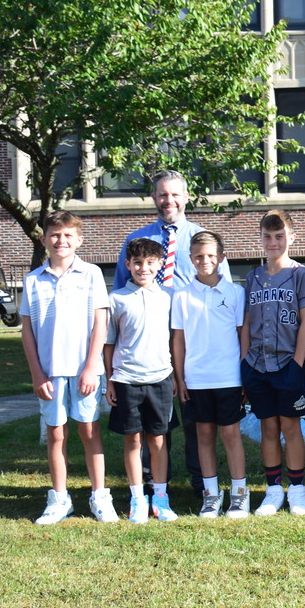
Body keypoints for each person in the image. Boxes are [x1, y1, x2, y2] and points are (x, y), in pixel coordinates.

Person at [114, 170, 230, 495]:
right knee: (152, 413)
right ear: (154, 198)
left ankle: (200, 479)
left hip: (193, 338)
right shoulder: (138, 242)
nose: (169, 201)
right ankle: (152, 482)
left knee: (194, 413)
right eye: (163, 195)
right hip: (148, 339)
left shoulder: (203, 240)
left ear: (186, 196)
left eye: (175, 194)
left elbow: (225, 291)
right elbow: (122, 291)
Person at [20, 210, 114, 525]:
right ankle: (59, 499)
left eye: (68, 235)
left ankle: (100, 495)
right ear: (44, 239)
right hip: (49, 371)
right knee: (56, 434)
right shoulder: (33, 280)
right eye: (55, 235)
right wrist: (36, 373)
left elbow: (101, 322)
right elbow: (27, 330)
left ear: (79, 240)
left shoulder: (92, 274)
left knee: (89, 430)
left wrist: (91, 366)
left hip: (84, 369)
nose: (61, 240)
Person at [240, 209, 305, 517]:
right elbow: (246, 323)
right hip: (257, 363)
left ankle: (297, 490)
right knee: (268, 427)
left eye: (279, 236)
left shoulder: (300, 274)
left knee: (291, 426)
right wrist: (245, 361)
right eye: (268, 237)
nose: (273, 242)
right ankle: (273, 490)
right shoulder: (253, 277)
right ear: (260, 239)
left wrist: (297, 365)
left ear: (291, 237)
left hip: (288, 362)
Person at [172, 230, 250, 519]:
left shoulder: (235, 293)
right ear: (191, 259)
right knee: (203, 434)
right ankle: (211, 495)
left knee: (231, 434)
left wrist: (244, 375)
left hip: (229, 376)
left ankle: (240, 495)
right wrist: (179, 378)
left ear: (221, 258)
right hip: (196, 378)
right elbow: (178, 339)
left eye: (210, 256)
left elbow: (243, 336)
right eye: (199, 256)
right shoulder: (180, 295)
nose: (205, 261)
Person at [104, 237, 178, 523]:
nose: (143, 268)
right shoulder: (117, 299)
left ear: (159, 264)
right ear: (127, 265)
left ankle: (160, 497)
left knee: (158, 440)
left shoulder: (169, 297)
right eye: (137, 263)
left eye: (149, 263)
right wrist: (110, 380)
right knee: (133, 440)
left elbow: (175, 341)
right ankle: (137, 498)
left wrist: (175, 377)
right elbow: (108, 344)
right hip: (126, 379)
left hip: (160, 378)